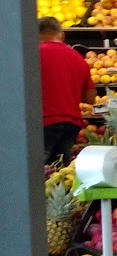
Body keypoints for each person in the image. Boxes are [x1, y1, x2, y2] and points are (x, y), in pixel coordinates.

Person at [38, 17, 94, 169]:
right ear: (61, 35)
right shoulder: (78, 58)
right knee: (60, 172)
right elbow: (90, 98)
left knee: (38, 173)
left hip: (44, 122)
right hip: (71, 124)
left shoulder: (34, 55)